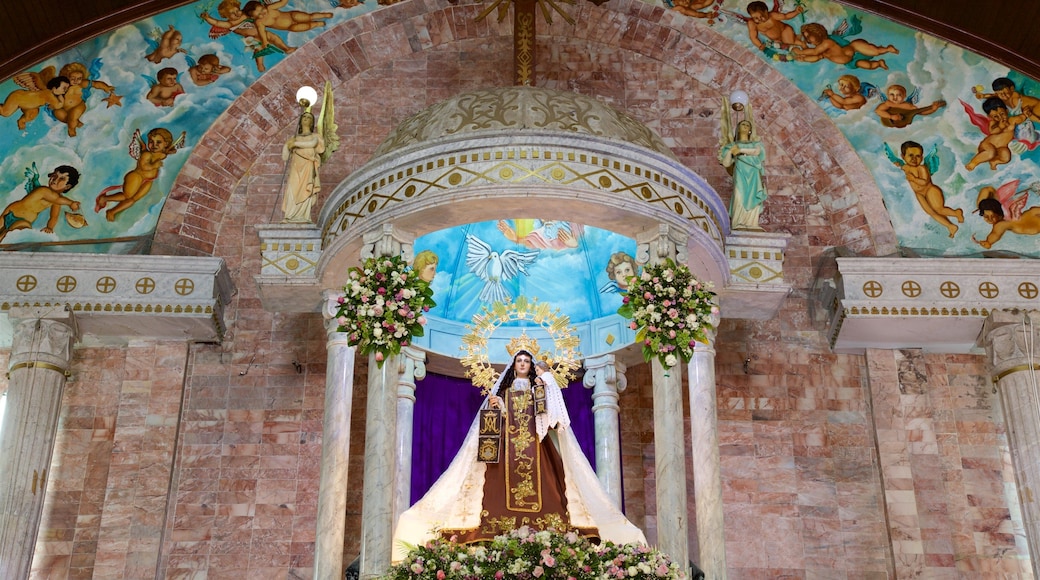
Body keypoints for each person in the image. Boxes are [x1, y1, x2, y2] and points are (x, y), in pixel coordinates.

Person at [391, 349, 646, 560]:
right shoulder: (505, 392)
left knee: (550, 486)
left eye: (526, 361)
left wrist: (546, 382)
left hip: (536, 447)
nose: (523, 364)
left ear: (531, 366)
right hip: (507, 450)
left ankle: (547, 529)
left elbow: (551, 416)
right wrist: (497, 406)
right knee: (495, 490)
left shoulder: (539, 389)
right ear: (514, 366)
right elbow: (498, 419)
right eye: (519, 361)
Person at [95, 127, 184, 221]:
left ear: (166, 144)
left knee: (133, 199)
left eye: (158, 142)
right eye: (151, 141)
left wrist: (171, 150)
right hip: (136, 177)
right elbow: (144, 166)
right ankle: (104, 198)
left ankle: (112, 211)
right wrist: (154, 165)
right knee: (127, 196)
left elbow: (169, 151)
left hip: (149, 180)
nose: (154, 145)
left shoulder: (163, 153)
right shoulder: (146, 154)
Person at [894, 141, 962, 238]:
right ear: (903, 156)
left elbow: (924, 182)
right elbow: (901, 166)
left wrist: (913, 179)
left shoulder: (921, 168)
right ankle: (950, 226)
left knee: (939, 209)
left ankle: (956, 213)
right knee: (931, 213)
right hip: (919, 194)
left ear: (922, 158)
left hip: (930, 190)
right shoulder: (905, 167)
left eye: (918, 156)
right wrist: (898, 165)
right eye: (910, 155)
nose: (914, 159)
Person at [0, 166, 80, 243]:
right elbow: (56, 198)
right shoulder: (44, 190)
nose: (55, 180)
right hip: (10, 213)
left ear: (67, 186)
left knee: (12, 233)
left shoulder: (58, 201)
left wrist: (49, 227)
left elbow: (54, 216)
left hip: (23, 221)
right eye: (54, 176)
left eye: (61, 179)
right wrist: (71, 203)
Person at [718, 119, 767, 230]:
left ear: (750, 130)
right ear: (738, 129)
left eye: (747, 125)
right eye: (742, 124)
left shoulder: (755, 144)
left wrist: (740, 150)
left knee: (753, 194)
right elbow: (726, 163)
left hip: (753, 173)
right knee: (739, 194)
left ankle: (752, 224)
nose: (745, 126)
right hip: (740, 172)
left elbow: (756, 151)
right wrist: (730, 151)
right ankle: (738, 222)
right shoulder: (732, 145)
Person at [280, 110, 325, 223]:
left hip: (307, 167)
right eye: (304, 116)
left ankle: (303, 216)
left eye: (309, 117)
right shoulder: (294, 137)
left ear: (312, 123)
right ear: (300, 121)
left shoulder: (315, 136)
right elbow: (285, 156)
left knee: (305, 188)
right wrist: (287, 145)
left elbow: (313, 144)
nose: (306, 118)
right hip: (296, 167)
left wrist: (294, 144)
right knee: (293, 188)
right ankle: (290, 216)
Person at [792, 22, 897, 70]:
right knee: (867, 66)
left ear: (817, 32)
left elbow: (814, 52)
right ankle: (879, 63)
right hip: (850, 61)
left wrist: (801, 51)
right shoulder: (822, 51)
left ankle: (887, 49)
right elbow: (816, 57)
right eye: (806, 38)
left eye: (809, 36)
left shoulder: (827, 42)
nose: (808, 40)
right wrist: (803, 59)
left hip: (853, 48)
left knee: (875, 51)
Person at [966, 97, 1025, 171]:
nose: (1000, 117)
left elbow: (1019, 119)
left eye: (1002, 113)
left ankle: (994, 161)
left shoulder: (1011, 120)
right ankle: (973, 162)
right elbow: (993, 132)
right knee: (990, 153)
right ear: (990, 117)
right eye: (995, 116)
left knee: (1006, 158)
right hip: (988, 145)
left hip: (1002, 147)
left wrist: (1025, 115)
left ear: (1006, 111)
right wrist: (1000, 126)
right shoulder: (993, 123)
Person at [1, 75, 70, 131]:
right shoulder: (49, 94)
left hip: (29, 105)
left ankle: (22, 120)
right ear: (54, 88)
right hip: (19, 98)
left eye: (66, 88)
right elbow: (58, 105)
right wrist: (61, 97)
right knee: (5, 113)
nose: (65, 91)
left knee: (33, 113)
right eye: (64, 88)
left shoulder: (48, 93)